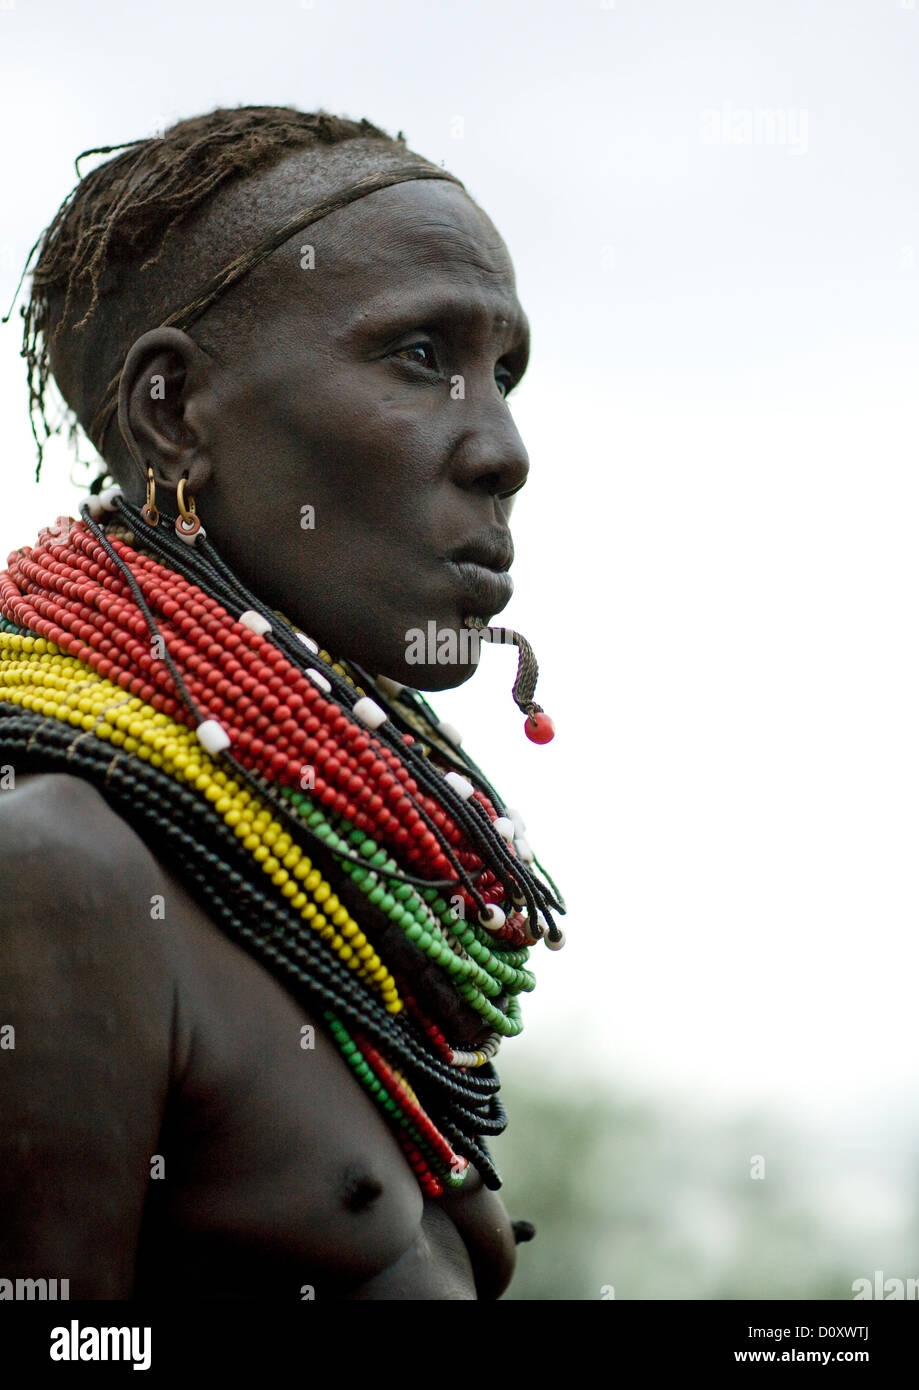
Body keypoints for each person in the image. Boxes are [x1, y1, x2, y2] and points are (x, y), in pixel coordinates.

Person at [0, 105, 565, 1300]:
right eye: (422, 356)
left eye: (501, 371)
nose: (504, 447)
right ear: (174, 413)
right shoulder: (52, 868)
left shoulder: (293, 904)